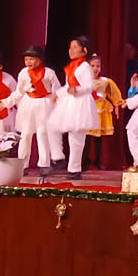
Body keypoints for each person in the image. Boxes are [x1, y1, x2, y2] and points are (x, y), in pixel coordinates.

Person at [6, 46, 59, 177]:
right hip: (28, 104)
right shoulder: (23, 73)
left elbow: (56, 91)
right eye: (26, 59)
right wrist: (6, 103)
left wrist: (56, 105)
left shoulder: (49, 73)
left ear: (40, 60)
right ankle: (22, 165)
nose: (28, 62)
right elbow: (19, 91)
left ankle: (44, 164)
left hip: (44, 103)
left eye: (31, 59)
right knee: (26, 134)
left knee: (42, 133)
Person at [49, 36, 97, 179]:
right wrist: (57, 93)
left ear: (84, 50)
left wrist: (77, 90)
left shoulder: (85, 67)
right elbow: (68, 86)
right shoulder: (72, 67)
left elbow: (89, 86)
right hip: (71, 101)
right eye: (70, 47)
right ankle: (58, 157)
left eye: (75, 47)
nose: (71, 50)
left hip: (81, 102)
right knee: (51, 126)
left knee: (76, 137)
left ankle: (74, 170)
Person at [86, 55, 124, 171]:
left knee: (98, 138)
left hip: (100, 110)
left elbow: (114, 93)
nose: (95, 68)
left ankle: (98, 160)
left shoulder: (105, 81)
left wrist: (117, 104)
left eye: (98, 66)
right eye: (92, 66)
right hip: (87, 109)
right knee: (86, 137)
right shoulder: (84, 81)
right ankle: (84, 161)